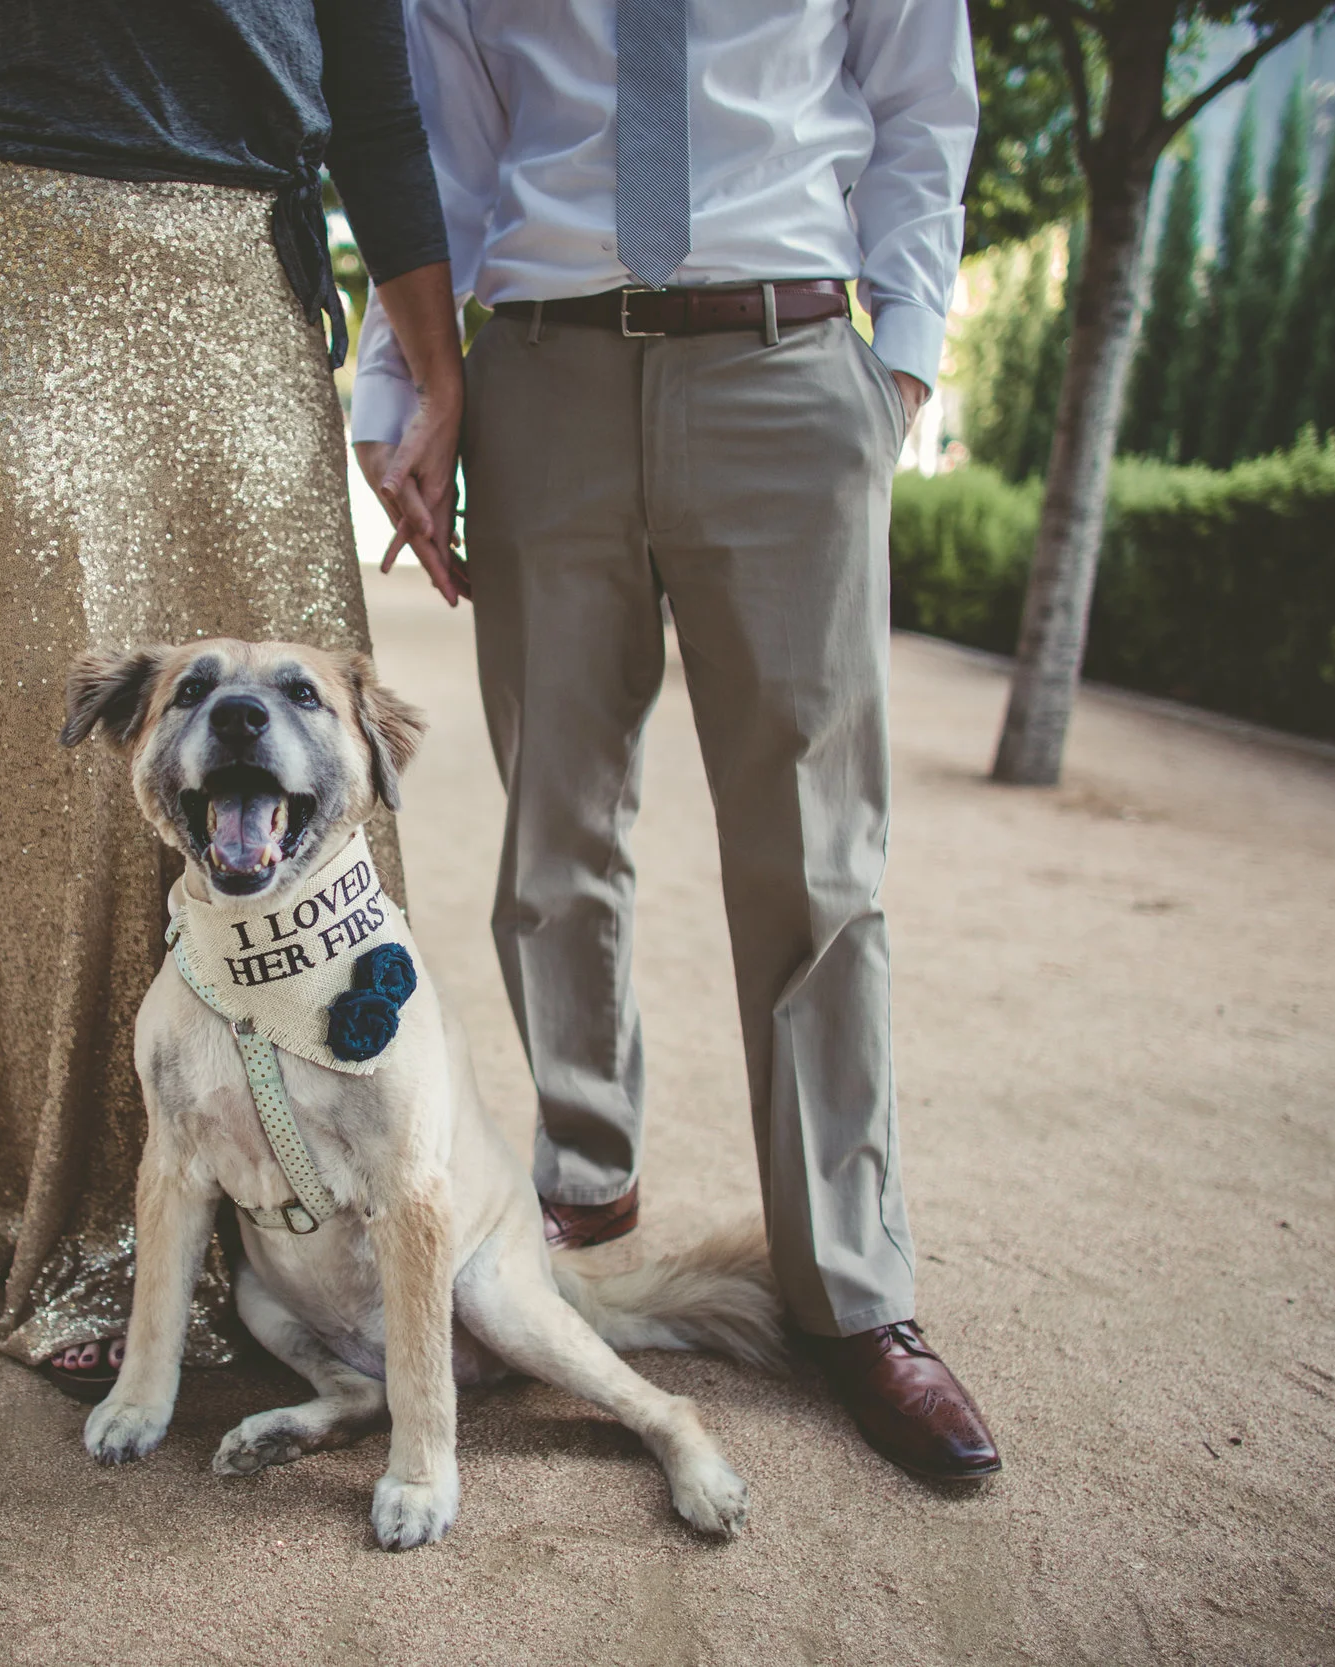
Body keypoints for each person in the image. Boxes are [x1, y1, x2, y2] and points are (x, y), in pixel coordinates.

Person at [350, 0, 1001, 1476]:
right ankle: (584, 1195)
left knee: (816, 863)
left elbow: (918, 112)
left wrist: (894, 367)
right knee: (554, 833)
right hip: (541, 381)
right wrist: (401, 391)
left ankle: (851, 1289)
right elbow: (447, 163)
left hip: (785, 363)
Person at [0, 0, 466, 1399]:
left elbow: (378, 111)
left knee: (283, 748)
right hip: (13, 289)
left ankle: (316, 1193)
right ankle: (62, 1210)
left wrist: (438, 375)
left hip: (247, 308)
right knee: (53, 781)